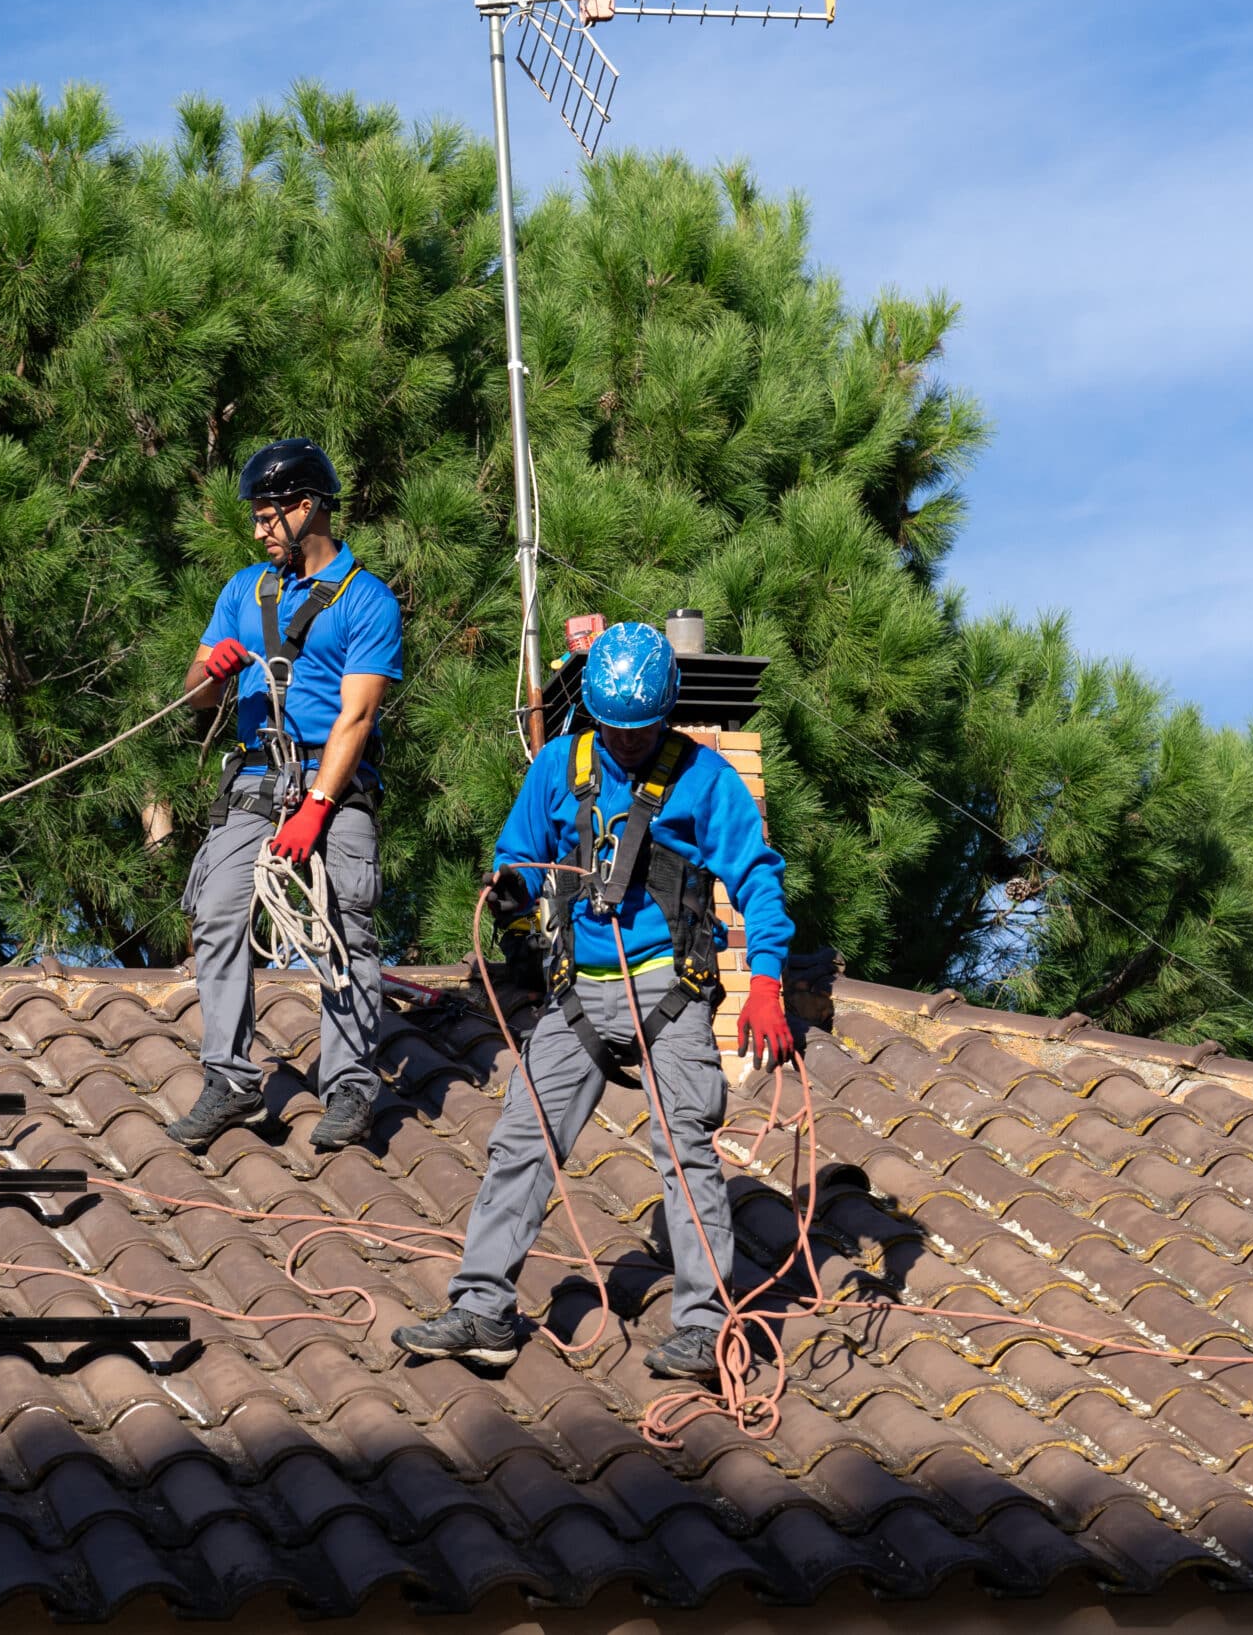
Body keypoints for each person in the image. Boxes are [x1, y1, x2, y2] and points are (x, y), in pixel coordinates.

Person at [393, 620, 798, 1379]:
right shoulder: (561, 765)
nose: (627, 743)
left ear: (665, 713)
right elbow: (516, 851)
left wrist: (767, 981)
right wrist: (513, 891)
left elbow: (758, 878)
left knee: (684, 1152)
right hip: (578, 996)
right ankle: (482, 1307)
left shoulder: (704, 781)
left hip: (667, 993)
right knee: (521, 1138)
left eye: (640, 731)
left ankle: (706, 1327)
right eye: (614, 728)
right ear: (594, 713)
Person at [166, 438, 403, 1153]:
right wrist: (215, 669)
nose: (260, 530)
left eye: (270, 516)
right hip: (253, 779)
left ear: (307, 509)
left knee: (344, 927)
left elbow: (356, 717)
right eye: (258, 517)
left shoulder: (366, 600)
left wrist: (318, 808)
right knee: (216, 911)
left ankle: (352, 1082)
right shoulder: (244, 590)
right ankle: (232, 1079)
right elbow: (195, 696)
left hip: (332, 784)